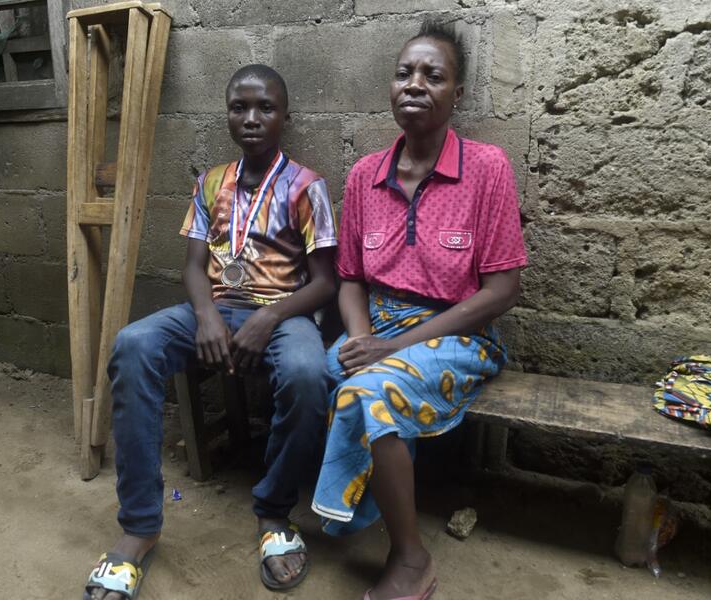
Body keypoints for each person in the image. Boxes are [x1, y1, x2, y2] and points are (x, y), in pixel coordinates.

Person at [84, 64, 338, 599]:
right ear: (226, 115)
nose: (251, 118)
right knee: (133, 345)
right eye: (238, 107)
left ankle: (273, 515)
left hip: (284, 314)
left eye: (265, 108)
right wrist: (203, 316)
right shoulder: (211, 182)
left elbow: (326, 284)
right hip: (218, 307)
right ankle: (140, 526)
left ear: (284, 117)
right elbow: (195, 267)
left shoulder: (307, 187)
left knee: (307, 372)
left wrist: (270, 317)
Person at [311, 21, 528, 600]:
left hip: (459, 333)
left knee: (371, 391)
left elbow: (501, 290)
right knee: (328, 369)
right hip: (379, 323)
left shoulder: (486, 169)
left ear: (457, 94)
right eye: (405, 73)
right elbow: (351, 279)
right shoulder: (365, 176)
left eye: (434, 76)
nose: (415, 84)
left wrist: (387, 352)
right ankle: (375, 506)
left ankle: (410, 559)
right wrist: (361, 340)